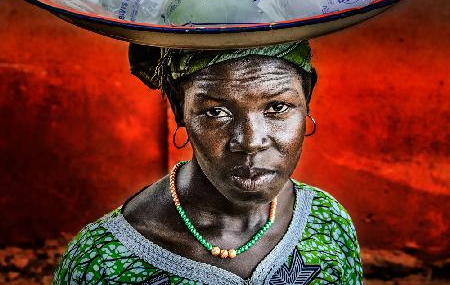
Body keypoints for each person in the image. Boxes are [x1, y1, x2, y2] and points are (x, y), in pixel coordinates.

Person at [53, 41, 363, 284]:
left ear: (307, 97)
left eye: (277, 107)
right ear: (178, 107)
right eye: (216, 112)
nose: (250, 140)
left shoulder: (326, 222)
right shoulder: (104, 262)